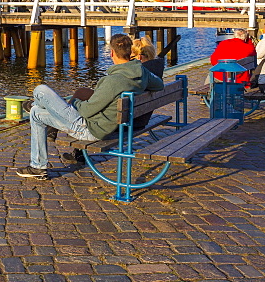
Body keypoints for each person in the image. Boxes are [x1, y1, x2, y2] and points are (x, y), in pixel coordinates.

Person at [16, 33, 163, 179]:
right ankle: (37, 166)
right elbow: (159, 85)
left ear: (112, 53)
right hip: (110, 125)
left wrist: (74, 103)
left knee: (40, 90)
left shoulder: (112, 81)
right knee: (35, 113)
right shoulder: (141, 72)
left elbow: (86, 111)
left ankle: (37, 104)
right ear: (130, 52)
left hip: (90, 129)